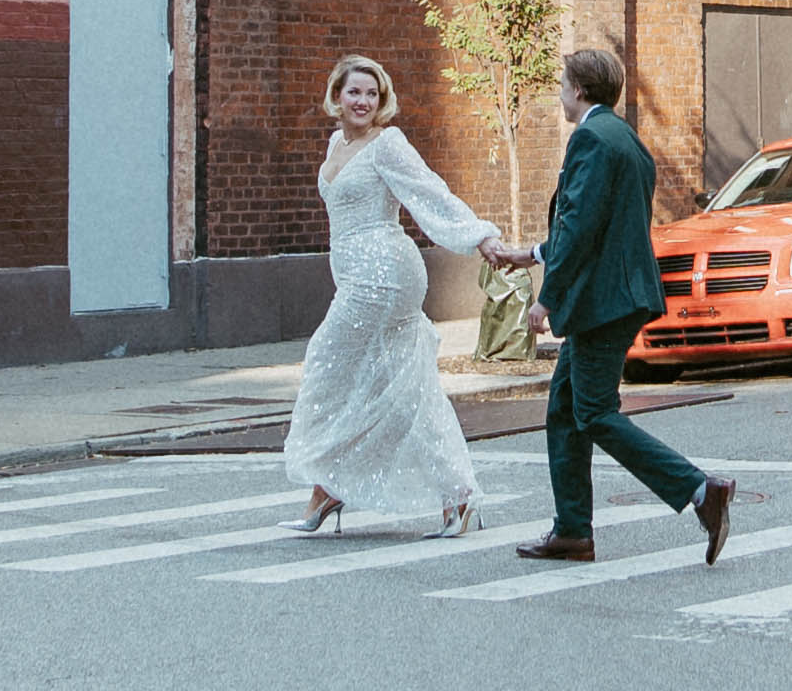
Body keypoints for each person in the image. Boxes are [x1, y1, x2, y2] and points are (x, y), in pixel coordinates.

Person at [487, 45, 737, 565]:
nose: (559, 95)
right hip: (615, 297)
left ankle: (699, 490)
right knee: (564, 409)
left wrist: (546, 297)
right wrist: (530, 254)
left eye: (561, 86)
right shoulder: (625, 138)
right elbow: (596, 224)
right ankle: (573, 530)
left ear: (578, 91)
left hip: (603, 302)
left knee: (595, 413)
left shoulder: (591, 140)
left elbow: (579, 228)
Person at [282, 54, 497, 538]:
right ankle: (456, 497)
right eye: (354, 92)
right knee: (400, 387)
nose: (363, 101)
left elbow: (430, 193)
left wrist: (479, 235)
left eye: (372, 94)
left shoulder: (387, 145)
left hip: (384, 276)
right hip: (359, 276)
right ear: (336, 95)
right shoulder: (337, 142)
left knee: (326, 363)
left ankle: (329, 485)